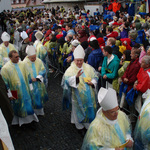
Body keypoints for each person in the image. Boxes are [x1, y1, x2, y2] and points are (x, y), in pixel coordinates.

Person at [62, 45, 98, 131]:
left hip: (89, 95)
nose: (79, 62)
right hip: (77, 96)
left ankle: (88, 125)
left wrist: (92, 82)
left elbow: (95, 77)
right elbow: (66, 82)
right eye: (77, 60)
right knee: (78, 111)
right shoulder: (70, 70)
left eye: (81, 60)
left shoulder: (88, 68)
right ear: (74, 60)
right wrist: (76, 78)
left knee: (89, 110)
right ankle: (79, 127)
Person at [1, 50, 39, 126]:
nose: (18, 58)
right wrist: (9, 94)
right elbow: (5, 83)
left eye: (18, 56)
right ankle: (20, 122)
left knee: (28, 104)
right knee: (18, 106)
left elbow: (28, 75)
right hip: (15, 91)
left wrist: (31, 84)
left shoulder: (22, 64)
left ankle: (30, 121)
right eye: (16, 57)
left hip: (25, 89)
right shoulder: (5, 68)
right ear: (10, 58)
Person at [23, 46, 48, 116]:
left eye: (35, 57)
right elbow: (23, 74)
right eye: (32, 58)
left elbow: (43, 70)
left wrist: (38, 77)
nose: (34, 59)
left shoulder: (38, 60)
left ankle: (40, 111)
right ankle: (33, 112)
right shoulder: (24, 63)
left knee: (39, 96)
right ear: (28, 57)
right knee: (32, 98)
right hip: (31, 84)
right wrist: (30, 79)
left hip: (38, 82)